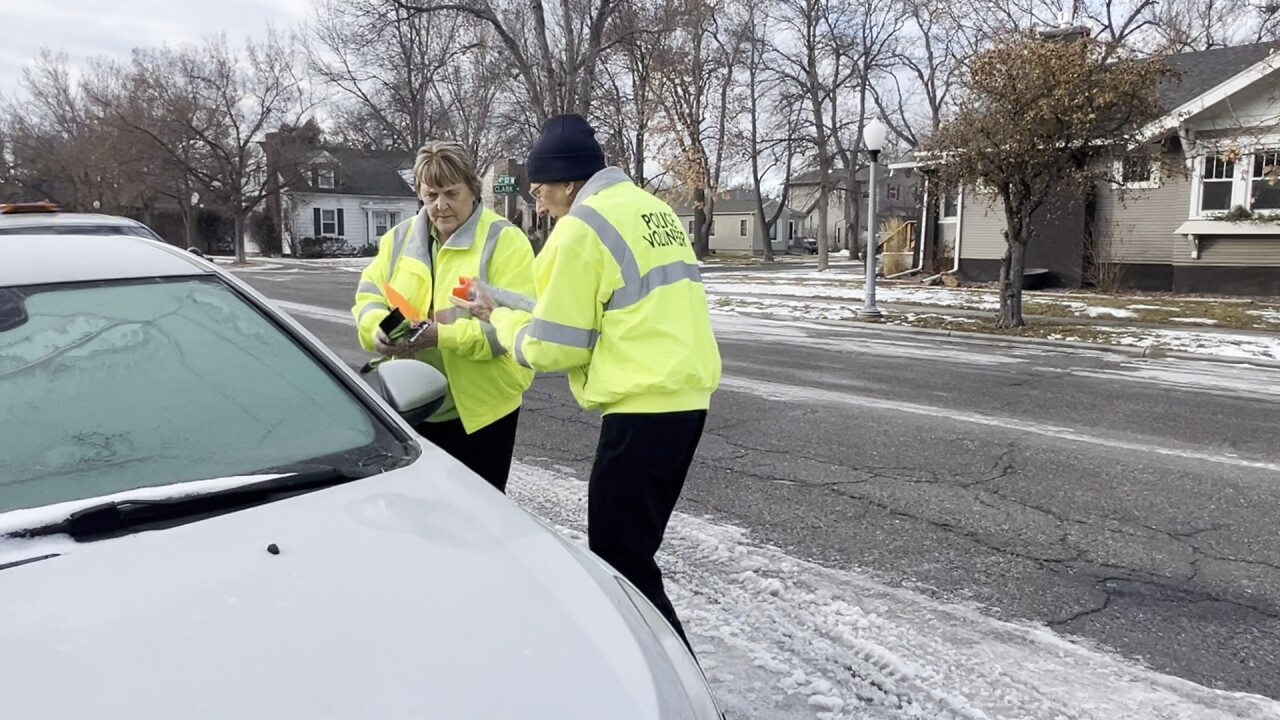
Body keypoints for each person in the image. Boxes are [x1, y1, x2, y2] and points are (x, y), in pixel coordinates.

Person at [455, 114, 722, 652]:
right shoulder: (651, 209)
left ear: (568, 182)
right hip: (686, 401)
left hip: (641, 408)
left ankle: (676, 689)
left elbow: (556, 346)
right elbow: (609, 308)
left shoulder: (581, 227)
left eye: (541, 189)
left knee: (621, 561)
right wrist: (506, 301)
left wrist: (497, 321)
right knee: (633, 552)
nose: (538, 203)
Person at [352, 140, 536, 493]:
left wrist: (441, 336)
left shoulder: (504, 241)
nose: (441, 205)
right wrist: (378, 332)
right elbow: (370, 298)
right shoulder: (398, 240)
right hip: (413, 409)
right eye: (430, 194)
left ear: (472, 189)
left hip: (483, 413)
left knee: (480, 518)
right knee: (423, 515)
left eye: (452, 193)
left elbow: (512, 329)